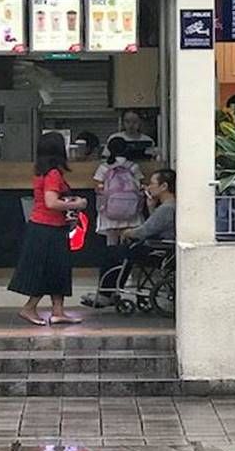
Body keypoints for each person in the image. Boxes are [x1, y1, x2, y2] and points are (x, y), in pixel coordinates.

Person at [9, 131, 89, 326]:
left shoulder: (43, 172)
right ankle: (30, 308)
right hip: (47, 229)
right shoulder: (53, 174)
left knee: (58, 269)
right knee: (46, 270)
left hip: (46, 227)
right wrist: (78, 204)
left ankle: (58, 311)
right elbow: (51, 202)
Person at [84, 169, 177, 308]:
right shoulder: (169, 206)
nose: (149, 187)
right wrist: (151, 207)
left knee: (113, 253)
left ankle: (106, 293)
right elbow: (154, 225)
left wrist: (128, 232)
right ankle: (110, 292)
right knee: (123, 252)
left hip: (158, 251)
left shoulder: (166, 208)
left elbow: (145, 231)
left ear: (164, 186)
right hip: (163, 249)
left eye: (152, 183)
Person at [93, 137, 144, 246]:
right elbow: (139, 185)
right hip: (131, 209)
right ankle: (125, 254)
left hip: (109, 209)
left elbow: (98, 187)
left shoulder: (104, 167)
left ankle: (113, 255)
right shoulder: (133, 167)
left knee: (111, 240)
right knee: (128, 238)